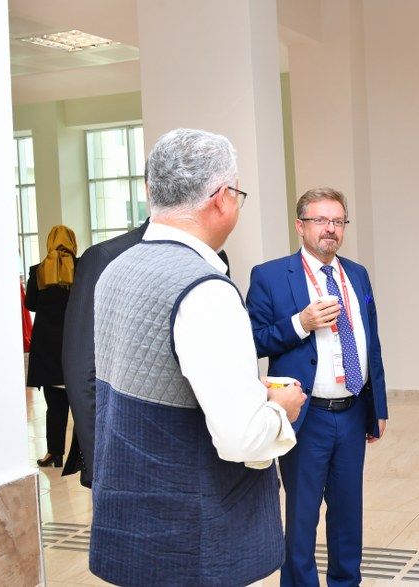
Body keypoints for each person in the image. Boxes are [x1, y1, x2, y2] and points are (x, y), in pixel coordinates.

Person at [89, 128, 306, 587]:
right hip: (192, 535)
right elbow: (242, 440)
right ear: (223, 198)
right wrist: (278, 409)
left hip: (131, 520)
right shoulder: (204, 289)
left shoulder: (115, 269)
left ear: (151, 190)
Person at [247, 187, 388, 587]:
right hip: (306, 416)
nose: (330, 229)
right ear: (300, 225)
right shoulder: (271, 276)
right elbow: (252, 340)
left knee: (348, 515)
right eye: (321, 220)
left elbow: (371, 343)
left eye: (338, 221)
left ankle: (346, 582)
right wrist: (300, 323)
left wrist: (378, 407)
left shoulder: (356, 274)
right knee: (302, 516)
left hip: (352, 412)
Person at [61, 219, 148, 486]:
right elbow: (82, 370)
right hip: (130, 463)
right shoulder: (106, 257)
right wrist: (106, 470)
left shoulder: (215, 259)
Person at [24, 224, 78, 469]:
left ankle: (54, 454)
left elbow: (31, 305)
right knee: (82, 405)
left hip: (47, 345)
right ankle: (85, 455)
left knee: (54, 405)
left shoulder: (38, 271)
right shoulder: (80, 268)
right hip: (74, 342)